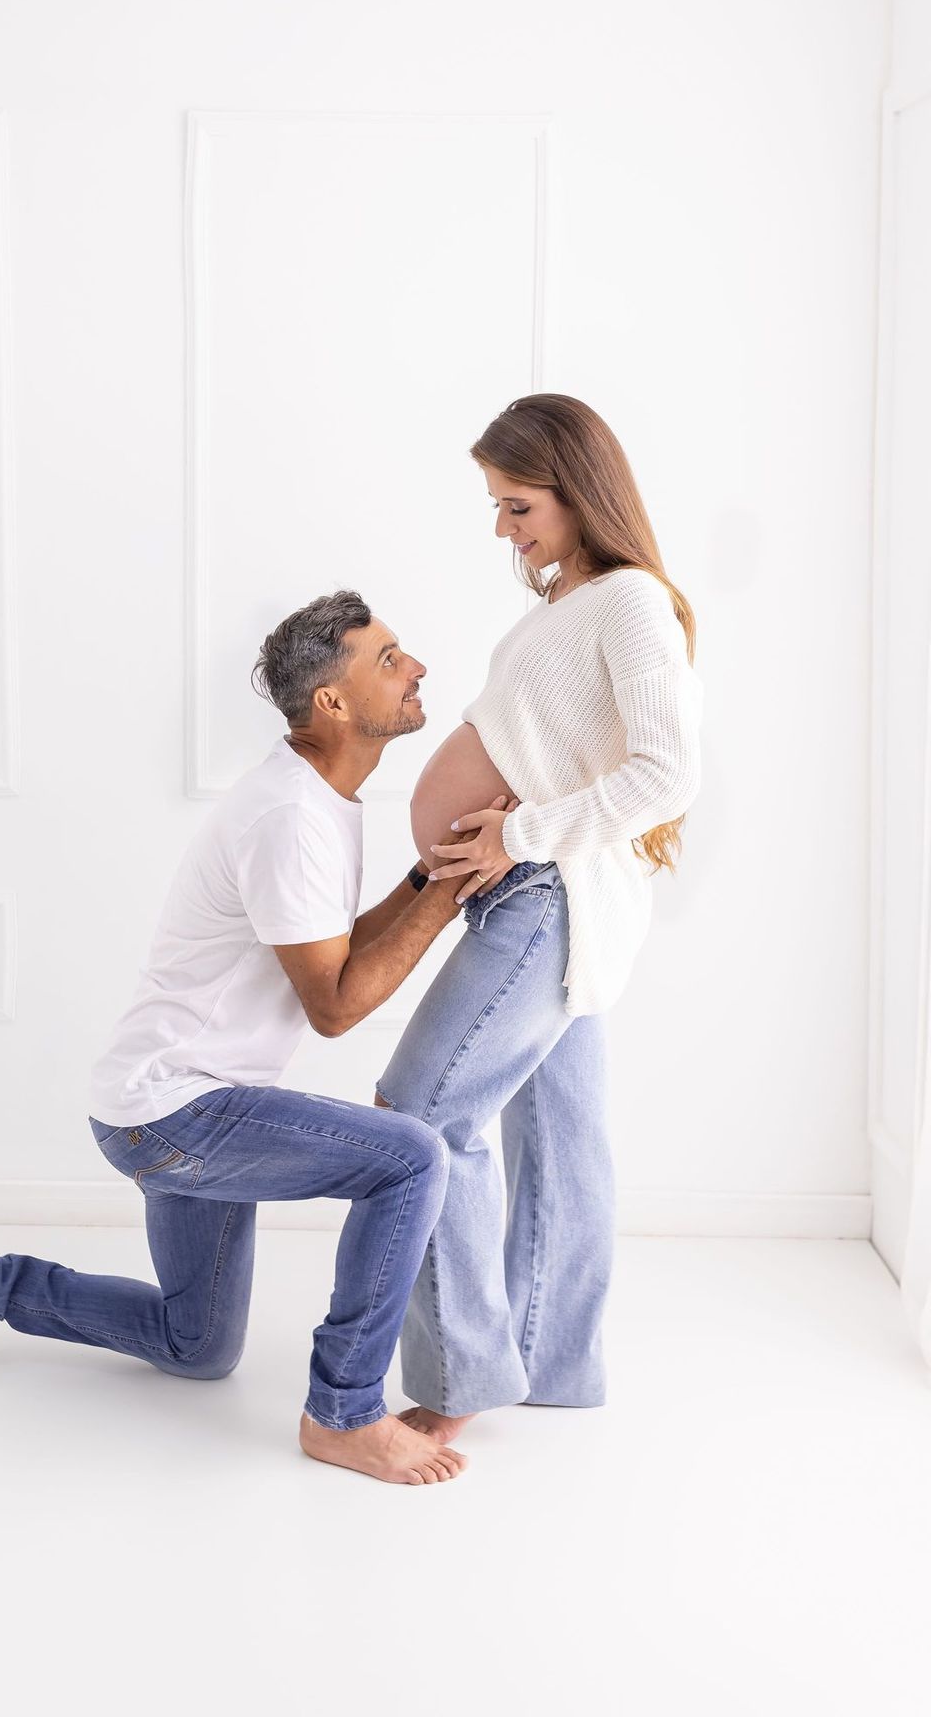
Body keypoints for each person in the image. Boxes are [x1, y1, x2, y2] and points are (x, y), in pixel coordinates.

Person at [0, 590, 507, 1486]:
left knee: (196, 1345)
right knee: (413, 1157)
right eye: (388, 658)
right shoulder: (289, 818)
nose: (415, 667)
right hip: (180, 1114)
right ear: (333, 704)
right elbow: (336, 1006)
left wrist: (428, 874)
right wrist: (451, 891)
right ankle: (343, 1412)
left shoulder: (316, 799)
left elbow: (337, 951)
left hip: (179, 1103)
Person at [376, 392, 704, 1441]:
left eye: (518, 506)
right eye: (497, 507)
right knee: (561, 1140)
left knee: (419, 1116)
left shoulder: (630, 602)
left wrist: (516, 839)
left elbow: (667, 771)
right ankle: (552, 1363)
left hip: (546, 896)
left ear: (579, 490)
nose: (504, 530)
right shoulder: (571, 602)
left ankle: (461, 1377)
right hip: (539, 899)